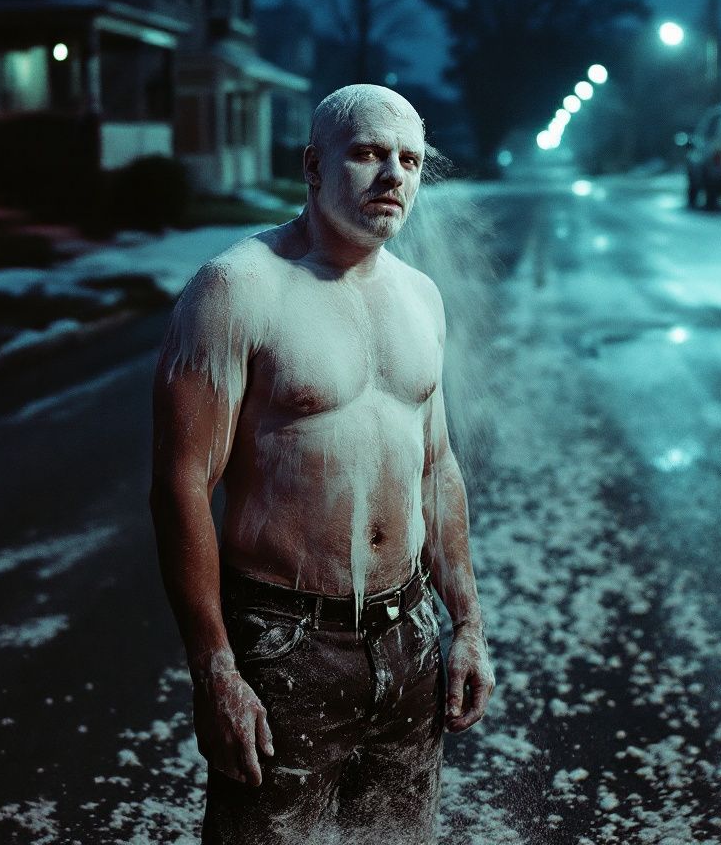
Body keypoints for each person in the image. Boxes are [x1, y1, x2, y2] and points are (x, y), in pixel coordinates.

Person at [150, 83, 494, 844]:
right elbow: (180, 485)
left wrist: (466, 622)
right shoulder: (237, 289)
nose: (394, 176)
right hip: (284, 642)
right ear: (313, 164)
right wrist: (215, 668)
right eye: (369, 154)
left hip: (407, 635)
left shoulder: (421, 297)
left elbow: (437, 470)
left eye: (410, 159)